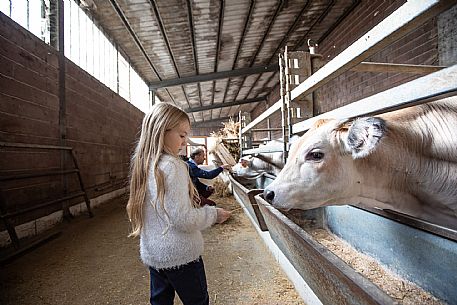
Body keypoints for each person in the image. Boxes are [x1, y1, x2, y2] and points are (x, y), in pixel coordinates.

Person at [126, 103, 231, 305]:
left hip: (155, 255)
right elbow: (182, 219)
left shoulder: (144, 163)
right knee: (197, 301)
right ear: (161, 131)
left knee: (160, 301)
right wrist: (213, 214)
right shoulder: (173, 166)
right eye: (181, 135)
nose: (184, 143)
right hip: (181, 256)